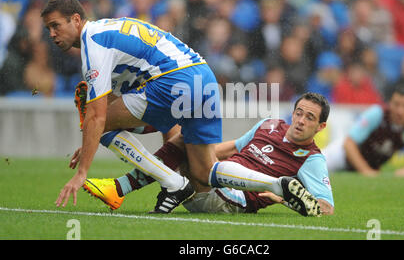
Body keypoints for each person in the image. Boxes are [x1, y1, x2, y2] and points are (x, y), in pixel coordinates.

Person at [40, 0, 222, 213]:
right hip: (201, 75)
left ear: (76, 20)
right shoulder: (106, 31)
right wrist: (91, 137)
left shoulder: (94, 44)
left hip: (173, 80)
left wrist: (82, 172)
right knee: (203, 173)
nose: (51, 34)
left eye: (55, 25)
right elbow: (114, 104)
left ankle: (174, 184)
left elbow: (98, 117)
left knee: (102, 124)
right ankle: (266, 186)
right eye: (48, 28)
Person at [83, 92, 334, 216]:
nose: (300, 120)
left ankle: (121, 180)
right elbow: (231, 148)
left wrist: (285, 198)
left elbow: (326, 207)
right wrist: (196, 150)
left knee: (187, 130)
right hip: (212, 179)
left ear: (320, 126)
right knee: (179, 129)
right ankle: (113, 139)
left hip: (232, 201)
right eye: (299, 112)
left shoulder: (312, 158)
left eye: (309, 117)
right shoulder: (270, 124)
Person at [323, 85, 404, 177]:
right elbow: (348, 144)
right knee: (311, 168)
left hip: (369, 167)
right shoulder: (377, 114)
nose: (400, 111)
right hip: (341, 156)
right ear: (390, 103)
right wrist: (365, 170)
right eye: (396, 104)